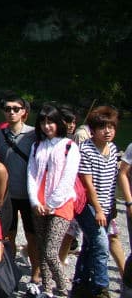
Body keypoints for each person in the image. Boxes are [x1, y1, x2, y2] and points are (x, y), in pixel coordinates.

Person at [27, 104, 79, 298]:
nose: (47, 126)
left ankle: (64, 289)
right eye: (43, 122)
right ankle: (47, 290)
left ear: (59, 123)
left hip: (61, 204)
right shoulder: (36, 146)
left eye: (51, 122)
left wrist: (53, 202)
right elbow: (31, 175)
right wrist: (34, 201)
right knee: (41, 249)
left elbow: (68, 177)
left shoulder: (69, 146)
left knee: (51, 251)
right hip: (38, 204)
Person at [0, 96, 40, 290]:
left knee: (32, 235)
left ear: (23, 112)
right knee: (8, 235)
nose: (11, 112)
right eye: (8, 108)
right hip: (7, 195)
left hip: (28, 194)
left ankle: (36, 273)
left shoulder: (34, 134)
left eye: (16, 108)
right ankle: (10, 271)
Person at [73, 106, 121, 298]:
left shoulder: (114, 149)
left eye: (111, 127)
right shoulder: (86, 150)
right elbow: (88, 185)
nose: (107, 131)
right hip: (89, 207)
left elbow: (111, 183)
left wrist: (110, 209)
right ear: (93, 129)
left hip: (107, 206)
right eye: (102, 127)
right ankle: (101, 288)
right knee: (101, 245)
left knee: (89, 245)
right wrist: (99, 210)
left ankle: (80, 284)